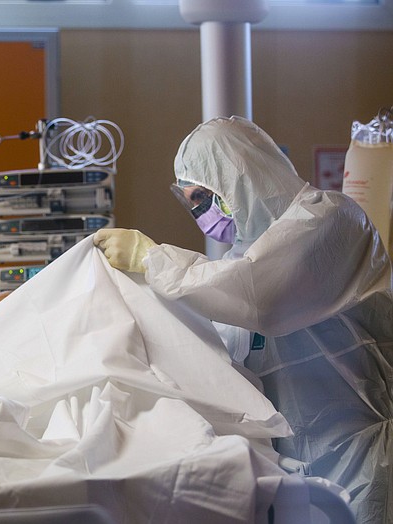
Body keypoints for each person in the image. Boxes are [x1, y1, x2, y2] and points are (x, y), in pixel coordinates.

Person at [93, 115, 393, 523]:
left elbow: (262, 298)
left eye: (204, 196)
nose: (201, 212)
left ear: (242, 177)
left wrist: (149, 258)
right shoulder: (232, 268)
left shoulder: (331, 219)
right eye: (191, 202)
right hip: (298, 477)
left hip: (366, 463)